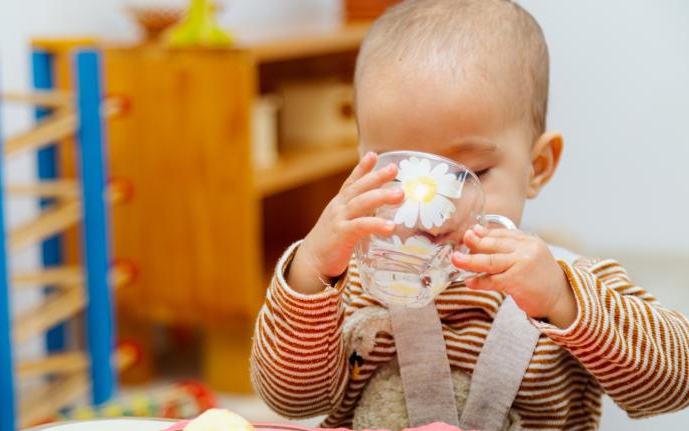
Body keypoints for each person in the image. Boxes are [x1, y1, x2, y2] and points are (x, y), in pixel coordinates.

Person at [250, 1, 689, 429]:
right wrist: (309, 272)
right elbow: (289, 400)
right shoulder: (357, 286)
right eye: (400, 172)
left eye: (471, 173)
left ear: (537, 167)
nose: (431, 208)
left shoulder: (574, 283)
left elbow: (672, 385)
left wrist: (563, 301)